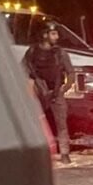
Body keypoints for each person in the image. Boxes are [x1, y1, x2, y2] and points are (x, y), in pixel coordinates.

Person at [23, 21, 74, 164]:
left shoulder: (60, 53)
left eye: (56, 34)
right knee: (35, 124)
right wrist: (31, 89)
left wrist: (64, 89)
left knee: (61, 124)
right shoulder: (32, 52)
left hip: (56, 92)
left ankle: (64, 153)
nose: (56, 37)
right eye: (53, 34)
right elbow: (24, 70)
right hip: (39, 92)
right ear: (44, 35)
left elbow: (71, 73)